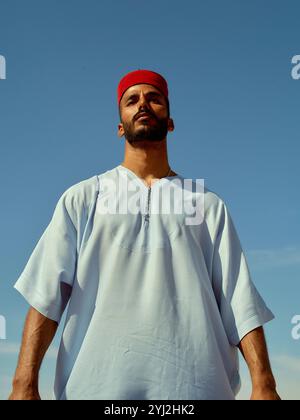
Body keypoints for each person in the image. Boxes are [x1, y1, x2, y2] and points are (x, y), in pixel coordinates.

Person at [9, 69, 280, 401]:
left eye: (154, 98)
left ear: (170, 122)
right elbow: (46, 295)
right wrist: (23, 383)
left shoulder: (204, 204)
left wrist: (265, 383)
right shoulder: (84, 197)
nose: (143, 105)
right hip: (94, 391)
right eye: (131, 100)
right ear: (120, 126)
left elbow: (237, 298)